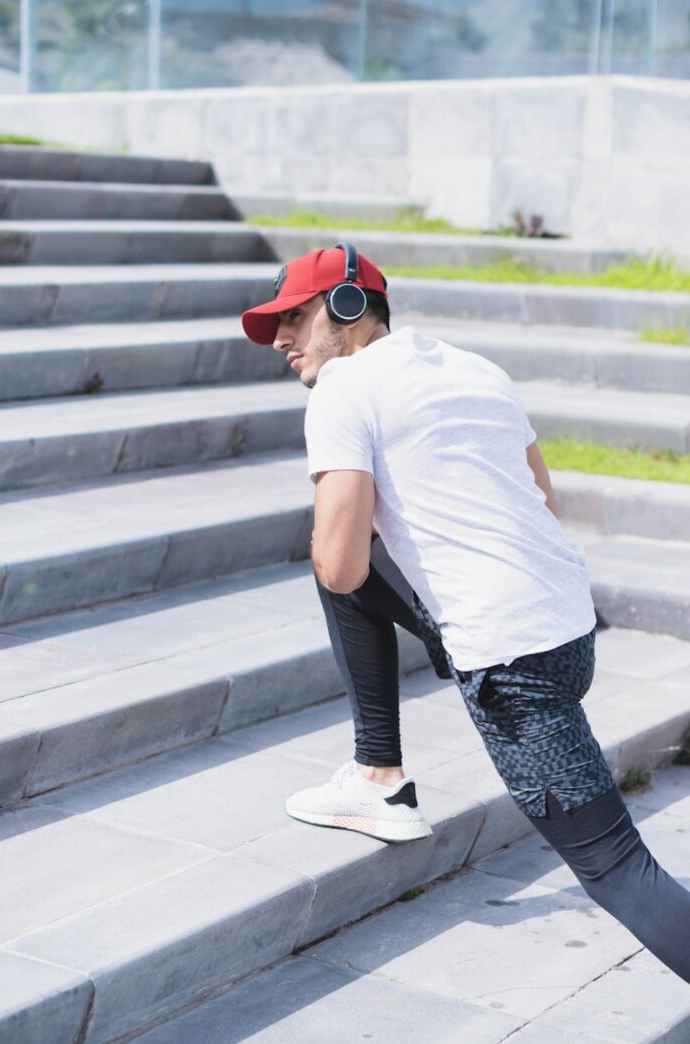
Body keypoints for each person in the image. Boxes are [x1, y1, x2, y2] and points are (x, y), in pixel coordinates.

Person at [241, 243, 690, 982]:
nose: (282, 340)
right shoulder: (478, 370)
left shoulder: (343, 391)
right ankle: (378, 776)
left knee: (616, 869)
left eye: (293, 318)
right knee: (344, 578)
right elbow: (541, 500)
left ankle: (380, 776)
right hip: (570, 630)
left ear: (349, 309)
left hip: (515, 663)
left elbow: (342, 563)